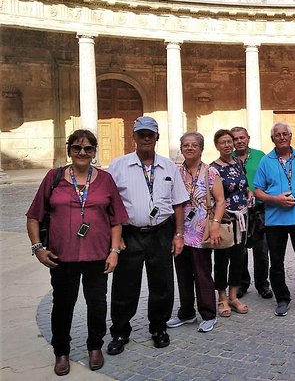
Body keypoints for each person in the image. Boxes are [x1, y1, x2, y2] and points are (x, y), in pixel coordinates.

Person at [26, 130, 127, 376]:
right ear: (69, 150)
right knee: (62, 305)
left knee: (97, 304)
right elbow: (33, 216)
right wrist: (38, 248)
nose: (82, 152)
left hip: (97, 256)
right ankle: (61, 351)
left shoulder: (105, 179)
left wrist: (114, 251)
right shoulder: (54, 177)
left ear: (94, 152)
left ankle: (95, 346)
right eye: (77, 148)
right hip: (62, 257)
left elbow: (116, 220)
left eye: (88, 148)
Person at [106, 116, 189, 355]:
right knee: (125, 285)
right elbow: (109, 204)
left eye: (150, 134)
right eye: (141, 134)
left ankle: (159, 327)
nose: (145, 138)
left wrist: (179, 234)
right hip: (129, 233)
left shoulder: (168, 166)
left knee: (162, 283)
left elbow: (179, 204)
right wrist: (115, 237)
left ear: (156, 138)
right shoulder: (118, 166)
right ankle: (120, 331)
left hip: (161, 232)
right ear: (133, 137)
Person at [253, 122, 295, 322]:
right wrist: (276, 200)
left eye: (285, 134)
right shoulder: (266, 161)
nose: (282, 137)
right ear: (272, 139)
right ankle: (282, 299)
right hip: (275, 221)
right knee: (276, 263)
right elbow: (257, 190)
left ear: (291, 137)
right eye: (278, 134)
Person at [168, 132, 224, 333]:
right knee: (182, 273)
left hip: (202, 231)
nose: (189, 148)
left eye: (194, 145)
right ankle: (186, 312)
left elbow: (220, 200)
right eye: (186, 145)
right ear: (181, 148)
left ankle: (208, 314)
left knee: (202, 273)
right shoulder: (176, 173)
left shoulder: (210, 172)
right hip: (180, 231)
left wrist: (216, 224)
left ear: (201, 148)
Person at [210, 129, 251, 318]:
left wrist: (249, 192)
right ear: (217, 145)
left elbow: (244, 185)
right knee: (221, 259)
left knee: (238, 258)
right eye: (223, 142)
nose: (227, 145)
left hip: (242, 217)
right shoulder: (212, 168)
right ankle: (222, 297)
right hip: (225, 218)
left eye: (230, 141)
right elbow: (211, 196)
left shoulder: (239, 163)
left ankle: (234, 296)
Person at [231, 126, 272, 300]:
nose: (239, 141)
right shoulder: (229, 158)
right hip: (237, 211)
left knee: (261, 250)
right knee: (239, 250)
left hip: (259, 209)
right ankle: (242, 283)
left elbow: (268, 178)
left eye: (242, 138)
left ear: (248, 138)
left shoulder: (260, 155)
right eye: (235, 139)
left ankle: (263, 284)